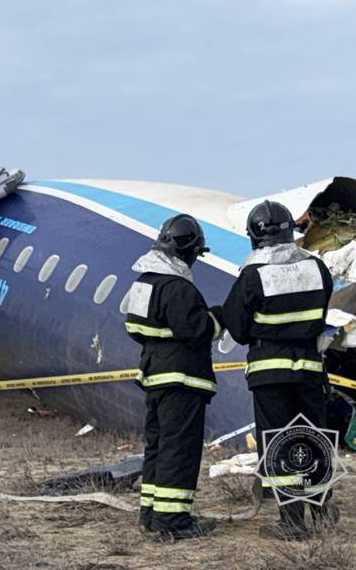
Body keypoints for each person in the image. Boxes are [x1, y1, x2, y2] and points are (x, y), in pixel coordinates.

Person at [219, 200, 337, 541]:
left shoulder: (253, 274)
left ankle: (292, 522)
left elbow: (237, 328)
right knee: (314, 438)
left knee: (279, 443)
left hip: (271, 373)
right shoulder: (317, 268)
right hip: (310, 370)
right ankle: (323, 507)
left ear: (255, 236)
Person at [125, 215, 221, 541]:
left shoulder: (144, 282)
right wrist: (219, 318)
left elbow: (134, 328)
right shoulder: (179, 288)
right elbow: (197, 331)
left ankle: (151, 514)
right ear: (190, 251)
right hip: (182, 380)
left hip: (154, 376)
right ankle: (172, 521)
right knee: (179, 449)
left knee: (158, 446)